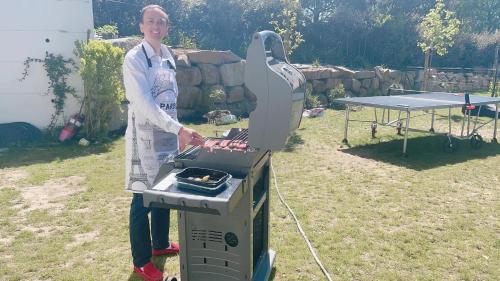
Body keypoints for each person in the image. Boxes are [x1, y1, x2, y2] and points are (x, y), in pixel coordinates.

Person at [123, 4, 204, 281]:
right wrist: (177, 128)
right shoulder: (134, 59)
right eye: (151, 22)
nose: (156, 27)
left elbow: (172, 98)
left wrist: (177, 132)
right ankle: (142, 261)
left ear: (167, 27)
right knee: (142, 199)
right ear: (141, 26)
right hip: (144, 139)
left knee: (163, 193)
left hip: (168, 137)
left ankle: (160, 243)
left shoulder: (167, 55)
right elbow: (144, 103)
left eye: (161, 22)